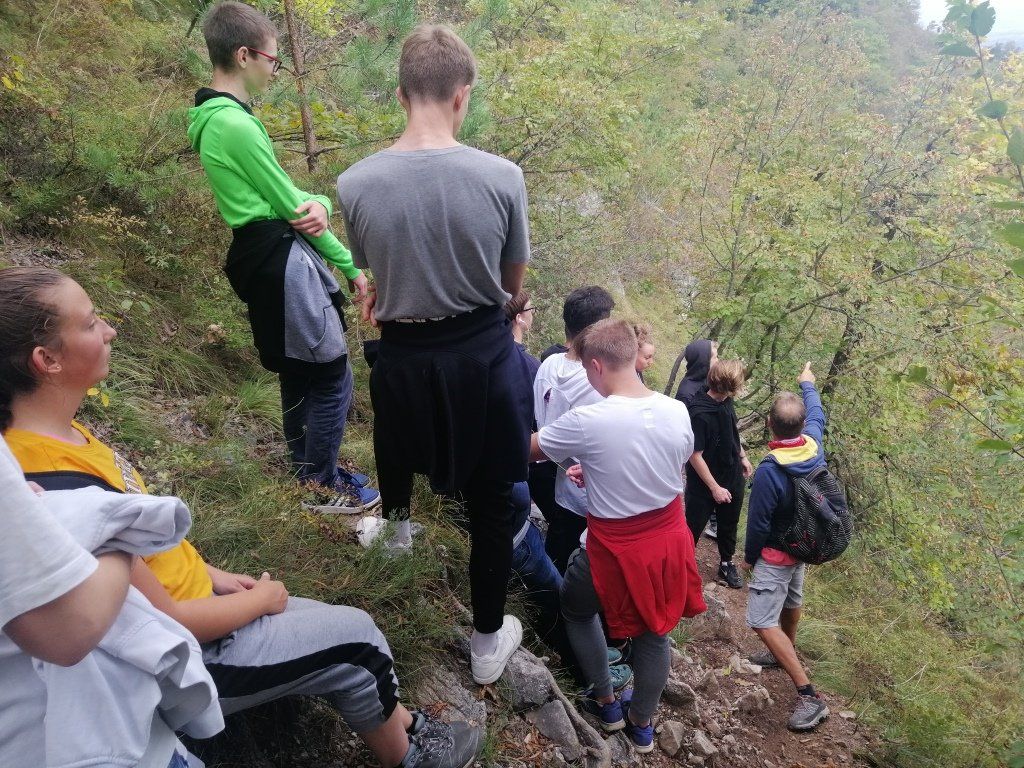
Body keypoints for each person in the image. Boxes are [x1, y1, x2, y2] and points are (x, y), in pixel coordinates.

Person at [0, 266, 481, 768]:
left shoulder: (58, 438)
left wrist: (212, 575)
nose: (109, 330)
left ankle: (404, 723)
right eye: (90, 322)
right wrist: (260, 601)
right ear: (47, 360)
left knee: (341, 627)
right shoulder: (54, 484)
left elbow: (143, 559)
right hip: (189, 657)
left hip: (202, 606)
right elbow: (169, 622)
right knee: (359, 640)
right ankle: (409, 757)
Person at [336, 24, 530, 686]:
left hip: (404, 352)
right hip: (482, 354)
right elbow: (512, 286)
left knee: (395, 449)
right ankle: (486, 642)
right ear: (461, 95)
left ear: (400, 94)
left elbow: (372, 274)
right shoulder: (503, 177)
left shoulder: (355, 183)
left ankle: (396, 532)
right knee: (492, 500)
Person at [187, 1, 379, 514]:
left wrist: (317, 202)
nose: (276, 69)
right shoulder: (236, 125)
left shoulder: (214, 120)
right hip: (283, 260)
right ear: (244, 55)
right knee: (331, 374)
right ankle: (320, 485)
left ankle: (307, 473)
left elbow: (289, 199)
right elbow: (294, 210)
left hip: (260, 257)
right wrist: (350, 264)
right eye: (273, 59)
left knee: (298, 371)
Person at [530, 319, 705, 753]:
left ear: (595, 366)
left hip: (612, 549)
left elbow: (529, 449)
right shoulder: (676, 410)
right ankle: (642, 724)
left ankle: (606, 702)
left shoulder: (589, 419)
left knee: (577, 609)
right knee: (654, 632)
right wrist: (598, 468)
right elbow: (665, 464)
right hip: (666, 542)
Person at [741, 362, 830, 732]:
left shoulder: (770, 469)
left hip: (778, 553)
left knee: (761, 620)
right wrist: (808, 384)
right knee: (792, 600)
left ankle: (809, 695)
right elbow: (818, 413)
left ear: (769, 425)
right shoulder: (813, 445)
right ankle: (783, 651)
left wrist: (749, 559)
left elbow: (759, 523)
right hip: (804, 545)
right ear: (802, 424)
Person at [532, 286, 615, 574]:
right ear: (598, 329)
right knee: (582, 565)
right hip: (589, 489)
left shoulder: (549, 365)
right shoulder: (597, 379)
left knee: (557, 551)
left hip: (557, 481)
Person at [684, 359, 753, 589]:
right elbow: (695, 455)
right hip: (703, 483)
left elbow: (732, 432)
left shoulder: (726, 402)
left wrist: (742, 456)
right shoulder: (699, 412)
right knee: (693, 525)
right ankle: (682, 564)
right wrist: (714, 487)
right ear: (730, 387)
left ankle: (726, 563)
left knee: (729, 522)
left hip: (731, 472)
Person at [675, 338, 719, 538]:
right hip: (694, 454)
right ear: (703, 361)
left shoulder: (709, 384)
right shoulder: (687, 392)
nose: (718, 360)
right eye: (714, 356)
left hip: (707, 449)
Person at [505, 291, 540, 381]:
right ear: (519, 318)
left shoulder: (492, 352)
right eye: (530, 309)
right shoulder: (532, 367)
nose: (532, 313)